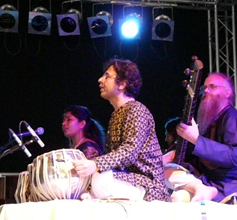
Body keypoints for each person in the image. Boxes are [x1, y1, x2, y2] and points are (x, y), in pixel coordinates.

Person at [72, 58, 171, 202]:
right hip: (127, 181)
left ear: (122, 84)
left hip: (150, 187)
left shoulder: (137, 110)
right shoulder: (117, 115)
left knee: (101, 178)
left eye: (107, 76)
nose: (100, 80)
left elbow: (129, 151)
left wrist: (96, 164)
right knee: (94, 177)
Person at [163, 72, 237, 202]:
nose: (205, 91)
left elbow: (233, 156)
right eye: (204, 87)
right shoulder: (211, 123)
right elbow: (203, 157)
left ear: (227, 93)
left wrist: (195, 139)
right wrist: (172, 156)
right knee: (170, 179)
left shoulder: (234, 119)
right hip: (215, 182)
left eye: (212, 86)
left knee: (180, 198)